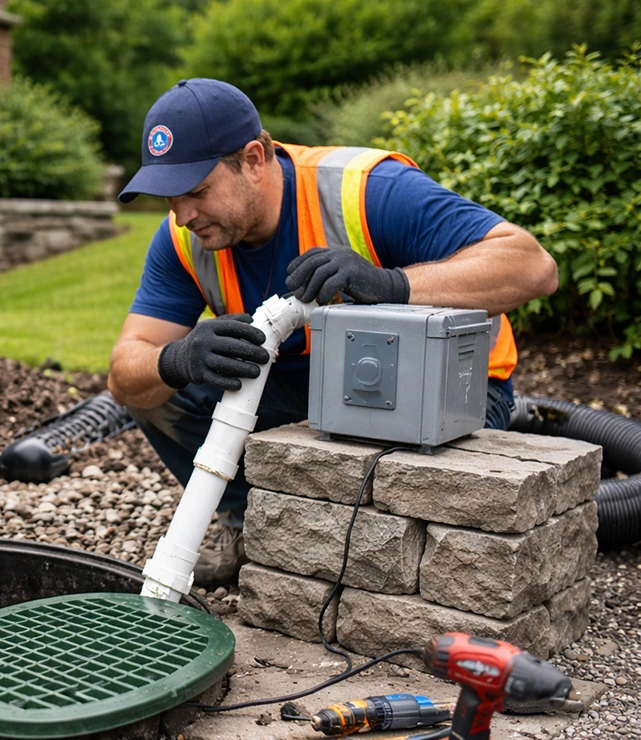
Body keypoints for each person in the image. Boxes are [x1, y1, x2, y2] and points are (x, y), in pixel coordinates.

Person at [108, 78, 558, 585]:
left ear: (254, 159)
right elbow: (125, 373)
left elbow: (533, 266)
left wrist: (392, 283)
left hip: (448, 394)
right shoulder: (182, 238)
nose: (182, 214)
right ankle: (251, 527)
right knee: (161, 391)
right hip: (311, 387)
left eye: (196, 191)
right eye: (170, 197)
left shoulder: (369, 190)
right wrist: (179, 359)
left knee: (372, 529)